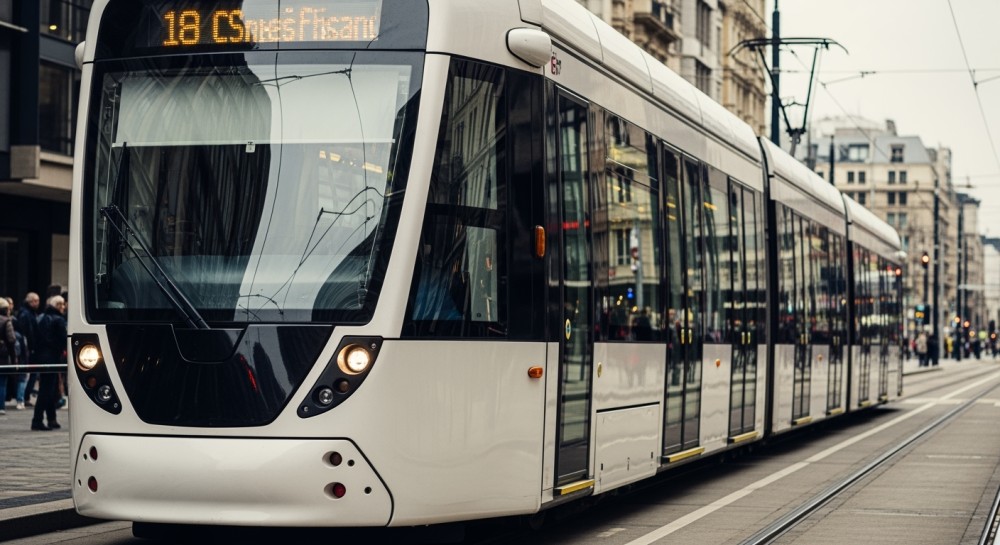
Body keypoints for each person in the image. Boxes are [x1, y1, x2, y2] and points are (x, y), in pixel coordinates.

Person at [31, 295, 66, 431]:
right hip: (52, 357)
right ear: (58, 305)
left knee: (48, 388)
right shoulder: (59, 320)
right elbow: (63, 340)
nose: (64, 307)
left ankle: (52, 419)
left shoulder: (40, 318)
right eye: (62, 305)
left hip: (41, 356)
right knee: (47, 389)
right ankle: (37, 420)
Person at [16, 292, 40, 407]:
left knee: (29, 373)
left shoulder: (28, 313)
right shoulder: (27, 314)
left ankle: (24, 396)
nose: (37, 303)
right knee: (28, 374)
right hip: (29, 348)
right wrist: (32, 347)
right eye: (35, 301)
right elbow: (29, 332)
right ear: (30, 301)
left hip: (29, 347)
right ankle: (23, 397)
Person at [0, 298, 19, 415]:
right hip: (2, 355)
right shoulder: (6, 321)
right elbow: (11, 340)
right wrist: (14, 359)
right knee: (2, 382)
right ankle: (1, 406)